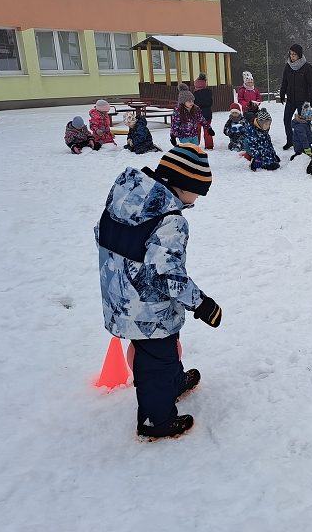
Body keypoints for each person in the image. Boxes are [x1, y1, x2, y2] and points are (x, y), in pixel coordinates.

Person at [94, 144, 222, 440]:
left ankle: (173, 382)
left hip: (119, 290)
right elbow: (169, 275)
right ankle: (156, 420)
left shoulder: (128, 195)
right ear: (184, 185)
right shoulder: (170, 220)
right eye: (198, 192)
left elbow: (102, 233)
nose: (197, 199)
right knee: (155, 364)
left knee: (163, 352)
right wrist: (202, 304)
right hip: (147, 308)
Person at [279, 43, 312, 150]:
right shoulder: (288, 66)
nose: (292, 56)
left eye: (294, 54)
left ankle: (306, 142)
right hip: (291, 99)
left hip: (303, 101)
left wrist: (311, 98)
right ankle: (290, 140)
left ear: (299, 55)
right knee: (286, 119)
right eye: (290, 54)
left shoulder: (307, 68)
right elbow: (284, 81)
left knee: (303, 123)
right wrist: (282, 93)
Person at [193, 74, 214, 150]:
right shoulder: (208, 93)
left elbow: (193, 104)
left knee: (197, 130)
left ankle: (195, 144)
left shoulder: (195, 94)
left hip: (197, 115)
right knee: (207, 129)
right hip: (207, 113)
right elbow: (210, 103)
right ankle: (209, 145)